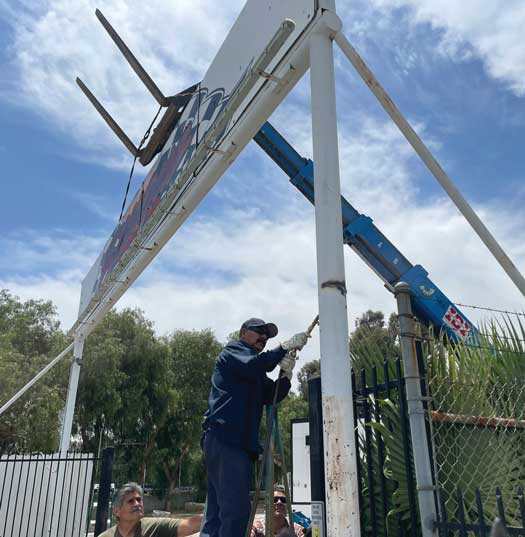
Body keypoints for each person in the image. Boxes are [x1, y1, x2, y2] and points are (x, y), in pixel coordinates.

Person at [200, 318, 308, 537]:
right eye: (259, 331)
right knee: (236, 512)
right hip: (227, 440)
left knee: (218, 512)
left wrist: (286, 375)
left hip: (233, 444)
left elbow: (272, 395)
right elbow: (256, 364)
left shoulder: (254, 372)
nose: (264, 337)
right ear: (243, 332)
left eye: (267, 336)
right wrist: (284, 347)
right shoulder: (233, 352)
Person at [98, 482, 202, 537]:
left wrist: (211, 514)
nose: (137, 504)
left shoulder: (154, 528)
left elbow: (188, 525)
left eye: (139, 500)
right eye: (130, 501)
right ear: (117, 511)